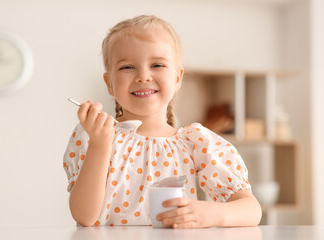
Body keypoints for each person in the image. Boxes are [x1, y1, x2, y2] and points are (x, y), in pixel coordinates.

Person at [63, 15, 262, 228]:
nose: (143, 76)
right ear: (109, 83)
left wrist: (213, 214)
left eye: (157, 64)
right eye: (127, 67)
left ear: (177, 78)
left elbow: (252, 210)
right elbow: (84, 216)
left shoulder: (195, 143)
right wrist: (100, 144)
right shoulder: (94, 134)